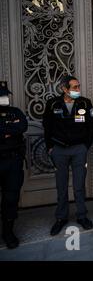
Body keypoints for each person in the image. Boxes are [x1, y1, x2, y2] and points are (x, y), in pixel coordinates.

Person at [42, 76, 93, 236]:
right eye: (74, 88)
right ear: (64, 89)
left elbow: (91, 127)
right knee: (61, 186)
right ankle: (61, 218)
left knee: (79, 185)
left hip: (79, 149)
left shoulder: (85, 103)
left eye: (78, 87)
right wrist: (50, 147)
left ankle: (82, 215)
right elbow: (47, 127)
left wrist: (85, 146)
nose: (78, 90)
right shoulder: (53, 104)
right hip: (59, 150)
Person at [0, 81, 28, 249]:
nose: (5, 98)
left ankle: (8, 232)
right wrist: (9, 129)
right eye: (1, 95)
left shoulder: (15, 112)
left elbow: (22, 126)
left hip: (12, 162)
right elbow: (13, 129)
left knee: (11, 198)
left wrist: (7, 129)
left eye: (5, 95)